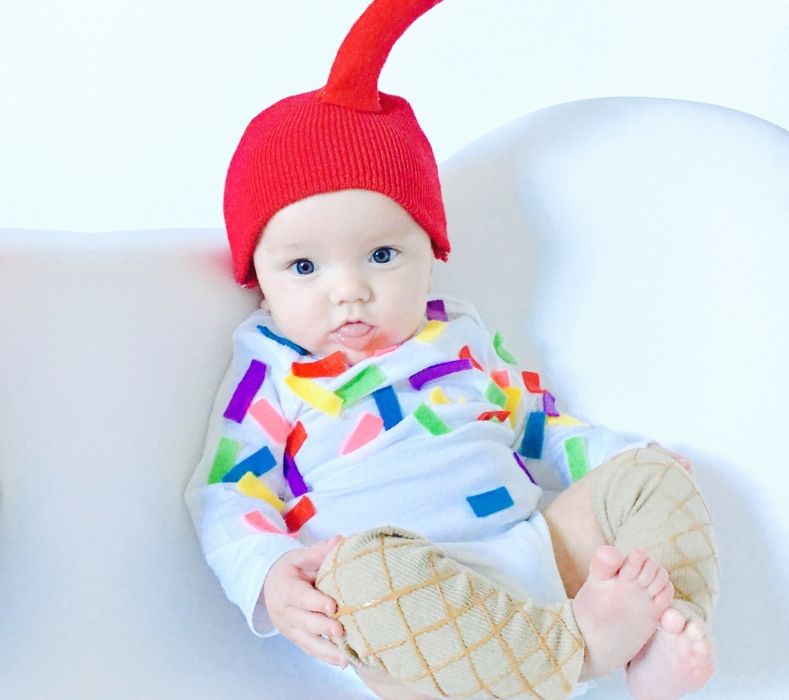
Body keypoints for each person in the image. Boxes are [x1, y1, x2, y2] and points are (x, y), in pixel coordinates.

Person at [185, 1, 718, 698]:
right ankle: (584, 653)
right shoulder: (271, 370)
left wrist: (619, 460)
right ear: (258, 280)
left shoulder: (457, 337)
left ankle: (656, 640)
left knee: (651, 475)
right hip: (413, 611)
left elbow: (538, 425)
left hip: (536, 554)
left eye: (381, 254)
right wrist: (268, 573)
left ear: (430, 254)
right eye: (305, 268)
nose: (349, 291)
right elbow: (229, 489)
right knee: (354, 577)